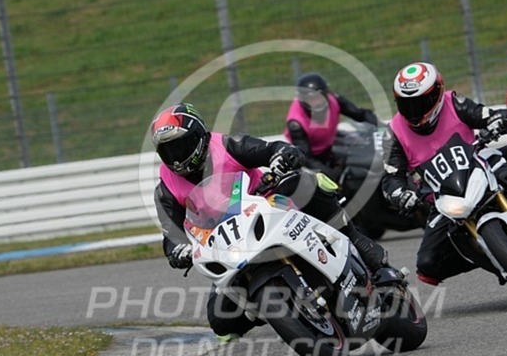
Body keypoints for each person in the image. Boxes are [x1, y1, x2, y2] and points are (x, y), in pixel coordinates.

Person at [152, 102, 389, 339]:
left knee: (302, 183)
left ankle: (355, 238)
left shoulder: (227, 145)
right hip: (228, 243)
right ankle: (268, 310)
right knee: (220, 320)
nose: (176, 158)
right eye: (168, 152)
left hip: (267, 207)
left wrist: (282, 156)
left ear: (199, 137)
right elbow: (171, 234)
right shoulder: (165, 189)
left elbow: (274, 148)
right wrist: (178, 250)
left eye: (180, 146)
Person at [382, 62, 507, 287]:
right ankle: (502, 261)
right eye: (406, 104)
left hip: (482, 165)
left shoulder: (453, 102)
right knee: (427, 265)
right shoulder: (394, 132)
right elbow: (392, 177)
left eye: (422, 102)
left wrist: (498, 119)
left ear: (438, 93)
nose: (414, 111)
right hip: (444, 198)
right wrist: (400, 194)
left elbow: (483, 114)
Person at [283, 72, 379, 181]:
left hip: (330, 139)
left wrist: (383, 127)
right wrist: (329, 173)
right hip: (309, 154)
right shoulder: (296, 123)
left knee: (365, 145)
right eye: (312, 99)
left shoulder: (334, 99)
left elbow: (359, 114)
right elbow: (306, 158)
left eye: (320, 97)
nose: (317, 103)